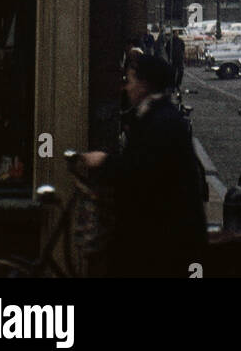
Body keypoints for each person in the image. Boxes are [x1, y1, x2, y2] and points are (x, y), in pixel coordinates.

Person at [82, 54, 206, 278]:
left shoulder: (161, 121)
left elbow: (141, 172)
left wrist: (103, 162)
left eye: (130, 80)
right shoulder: (158, 115)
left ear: (144, 84)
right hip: (163, 235)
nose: (126, 87)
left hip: (164, 240)